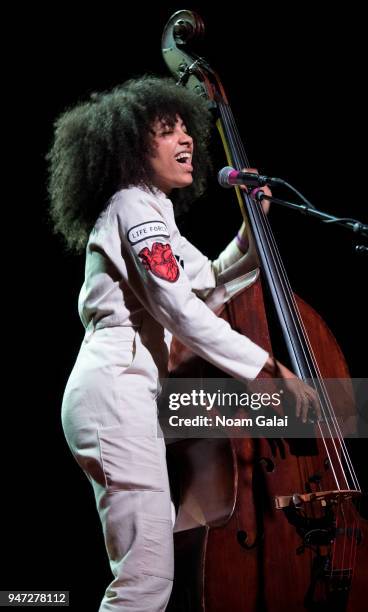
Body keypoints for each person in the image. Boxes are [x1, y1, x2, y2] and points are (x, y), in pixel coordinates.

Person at [47, 75, 317, 611]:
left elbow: (207, 283)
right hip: (114, 391)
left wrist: (250, 230)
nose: (187, 140)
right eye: (166, 131)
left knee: (146, 576)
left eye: (184, 129)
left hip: (127, 396)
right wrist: (266, 369)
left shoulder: (152, 212)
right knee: (144, 580)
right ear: (129, 146)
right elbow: (178, 309)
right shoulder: (131, 206)